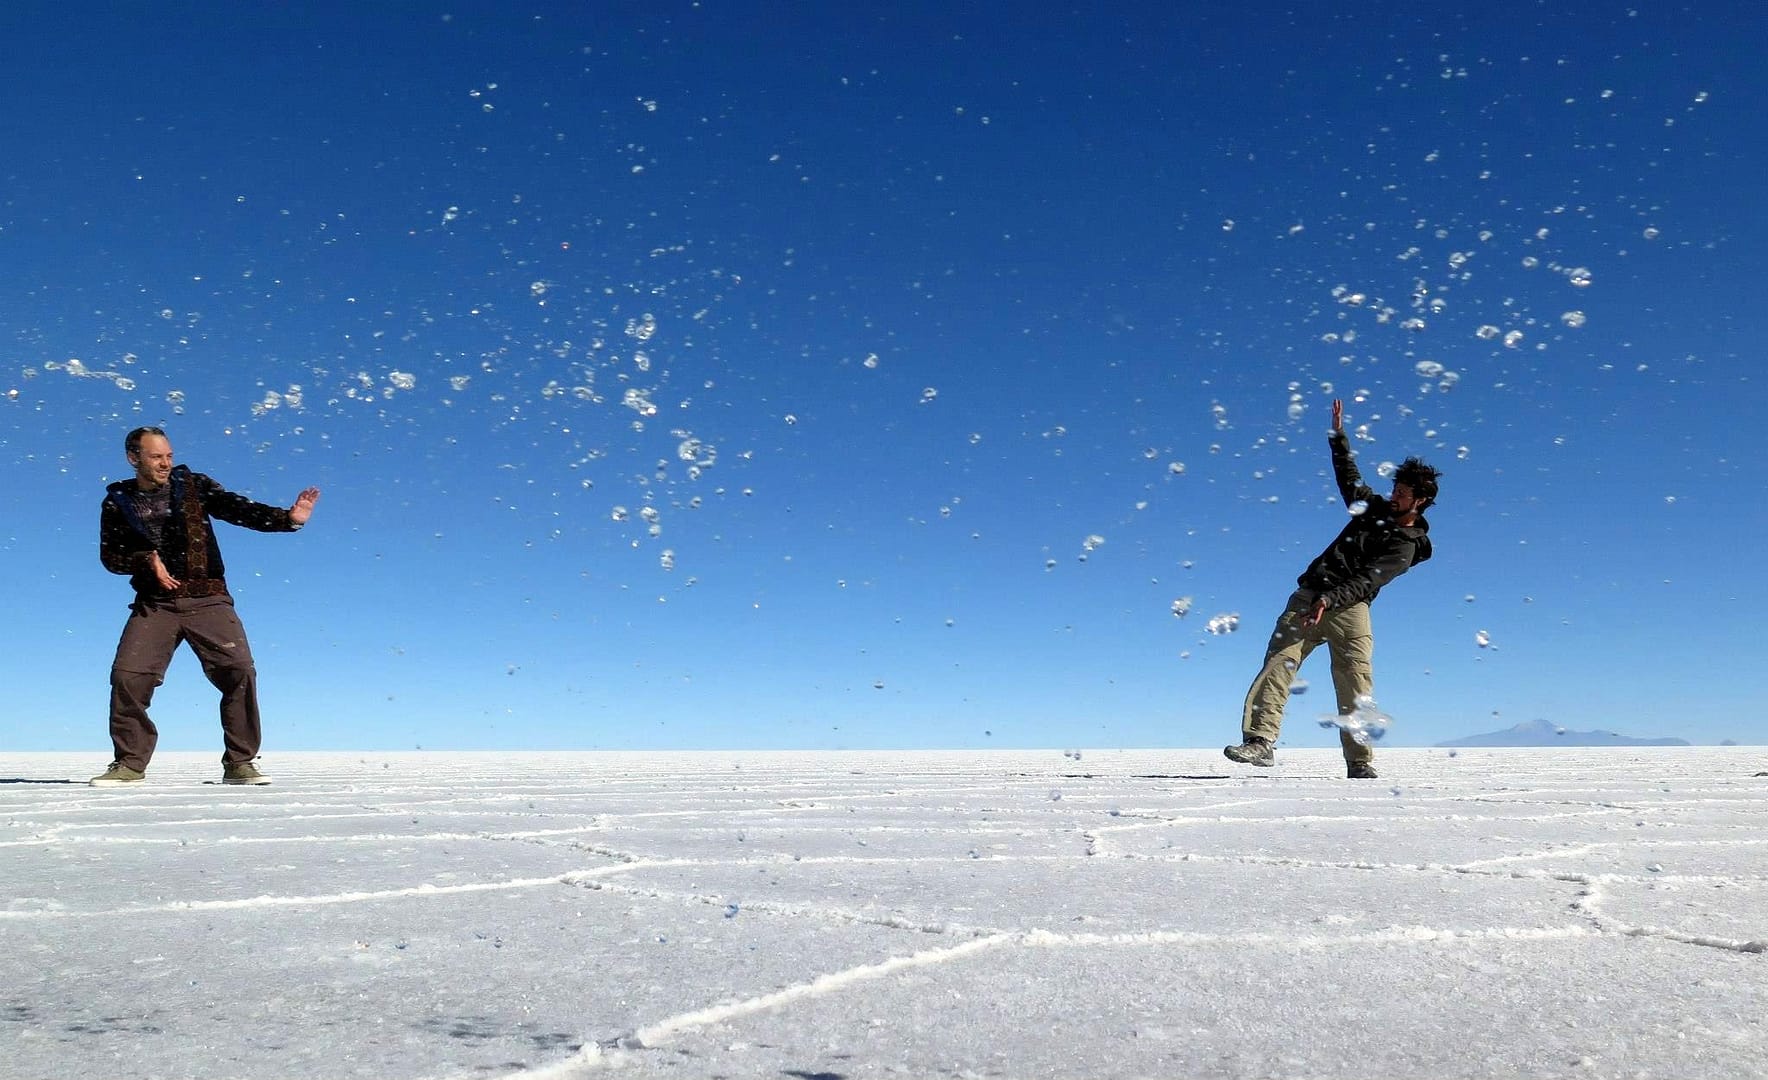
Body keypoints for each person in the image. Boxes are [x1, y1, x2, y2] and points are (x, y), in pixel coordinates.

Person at [89, 427, 320, 787]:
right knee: (128, 677)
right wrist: (145, 559)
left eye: (168, 455)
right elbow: (110, 557)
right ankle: (130, 763)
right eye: (156, 457)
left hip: (208, 598)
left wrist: (287, 519)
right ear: (133, 458)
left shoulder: (192, 485)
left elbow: (236, 507)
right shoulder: (117, 501)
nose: (166, 463)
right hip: (157, 604)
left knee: (239, 670)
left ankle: (240, 762)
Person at [1224, 399, 1439, 779]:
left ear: (1420, 501)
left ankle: (1359, 762)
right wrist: (1338, 436)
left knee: (1354, 682)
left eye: (1403, 493)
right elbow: (1348, 476)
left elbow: (1368, 580)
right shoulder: (1371, 509)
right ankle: (1260, 742)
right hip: (1308, 598)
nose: (1394, 496)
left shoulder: (1406, 545)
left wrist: (1331, 598)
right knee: (1277, 665)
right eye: (1395, 488)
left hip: (1350, 610)